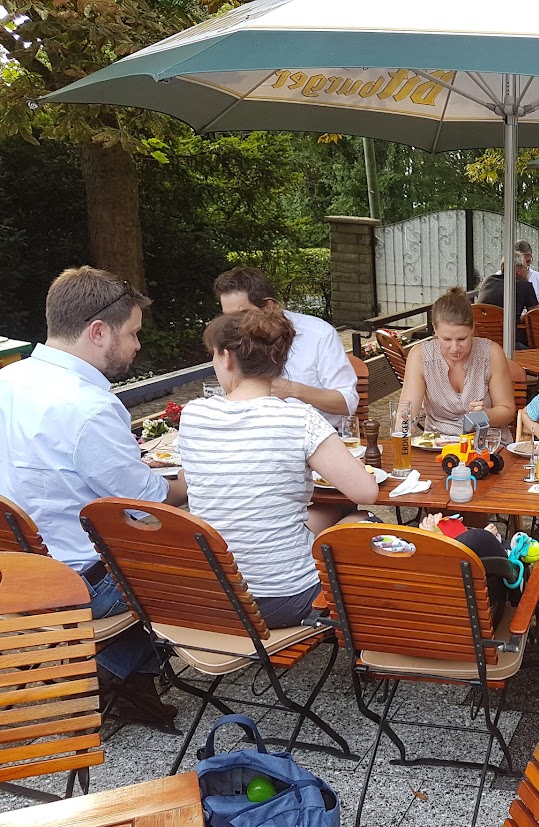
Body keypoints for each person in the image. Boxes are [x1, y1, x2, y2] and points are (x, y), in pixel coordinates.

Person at [0, 266, 187, 718]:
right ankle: (114, 671)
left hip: (15, 571)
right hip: (80, 583)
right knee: (195, 546)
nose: (138, 345)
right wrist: (206, 476)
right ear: (99, 331)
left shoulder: (8, 381)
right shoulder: (88, 405)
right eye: (133, 333)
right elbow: (149, 502)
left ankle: (128, 682)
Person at [178, 309, 379, 628]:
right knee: (363, 519)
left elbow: (190, 479)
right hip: (286, 599)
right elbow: (367, 492)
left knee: (326, 513)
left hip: (215, 594)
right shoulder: (300, 419)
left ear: (226, 358)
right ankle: (367, 637)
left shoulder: (193, 415)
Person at [214, 267, 359, 427]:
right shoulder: (231, 339)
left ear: (268, 307)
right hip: (255, 433)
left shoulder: (319, 334)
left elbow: (348, 403)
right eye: (228, 317)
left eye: (242, 315)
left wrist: (293, 390)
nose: (235, 324)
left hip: (316, 435)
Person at [399, 287, 516, 436]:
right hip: (438, 443)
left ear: (472, 328)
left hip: (485, 442)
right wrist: (404, 428)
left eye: (462, 339)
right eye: (446, 339)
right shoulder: (421, 356)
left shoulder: (491, 354)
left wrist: (485, 415)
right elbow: (406, 412)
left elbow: (507, 411)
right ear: (435, 329)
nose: (454, 348)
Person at [477, 254, 538, 347]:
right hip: (507, 345)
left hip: (482, 342)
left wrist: (517, 316)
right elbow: (534, 316)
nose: (528, 272)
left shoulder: (488, 280)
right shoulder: (525, 286)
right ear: (518, 270)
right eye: (527, 268)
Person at [514, 239, 539, 305]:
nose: (526, 265)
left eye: (528, 261)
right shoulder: (498, 278)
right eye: (522, 262)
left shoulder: (538, 277)